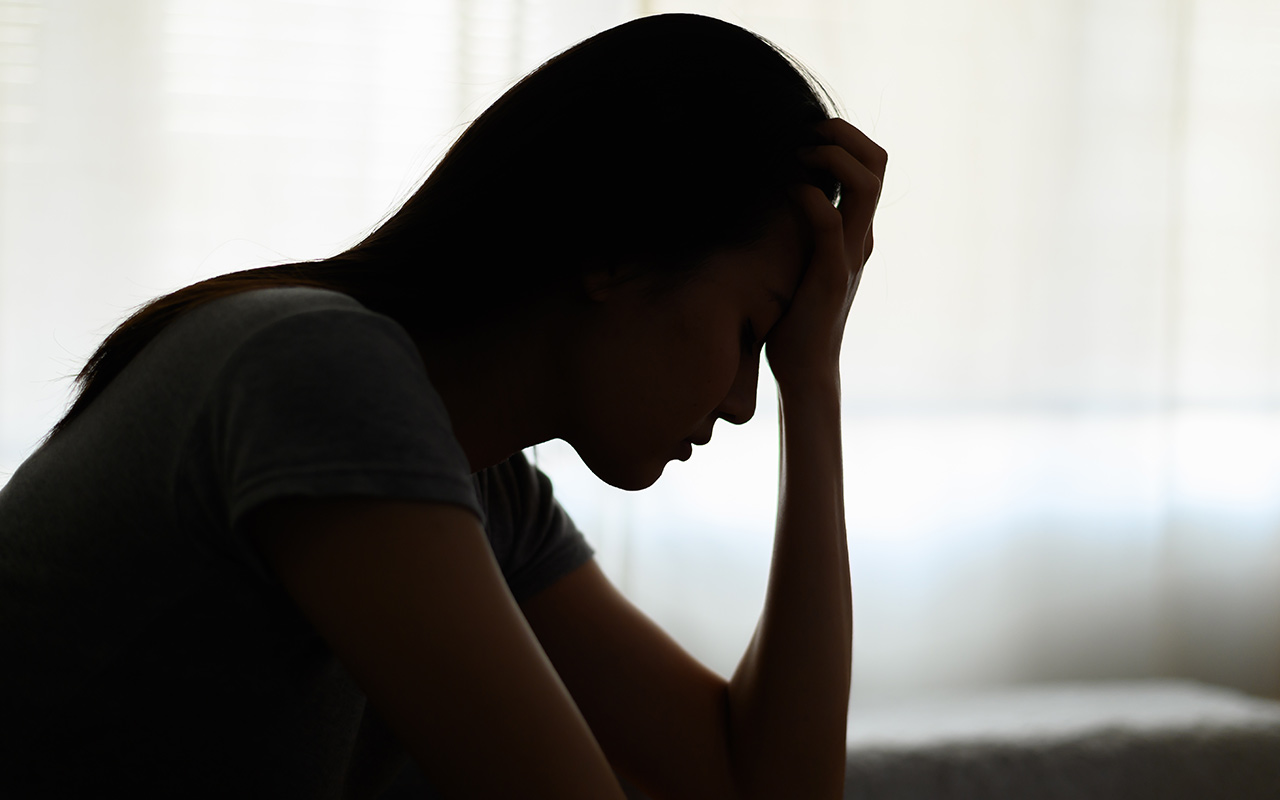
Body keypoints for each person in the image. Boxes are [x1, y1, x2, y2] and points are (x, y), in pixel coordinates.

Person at [0, 12, 884, 799]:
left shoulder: (489, 494)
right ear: (616, 250)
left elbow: (763, 787)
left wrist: (812, 383)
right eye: (749, 333)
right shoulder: (318, 373)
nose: (740, 405)